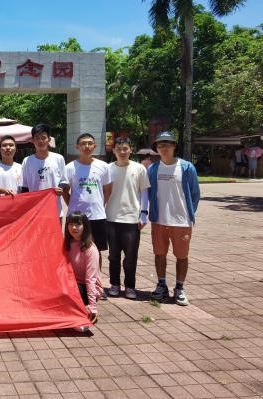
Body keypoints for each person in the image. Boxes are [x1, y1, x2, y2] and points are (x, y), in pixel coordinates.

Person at [148, 131, 200, 306]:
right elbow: (149, 192)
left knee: (182, 256)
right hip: (159, 220)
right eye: (160, 145)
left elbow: (195, 193)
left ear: (174, 146)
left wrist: (188, 213)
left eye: (168, 144)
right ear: (156, 148)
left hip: (181, 221)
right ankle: (161, 284)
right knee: (159, 254)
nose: (164, 147)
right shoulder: (153, 169)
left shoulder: (186, 167)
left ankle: (179, 287)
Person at [105, 137, 150, 300]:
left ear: (131, 150)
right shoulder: (108, 169)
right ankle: (114, 284)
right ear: (114, 150)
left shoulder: (139, 169)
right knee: (113, 256)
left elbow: (144, 191)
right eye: (119, 149)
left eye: (125, 148)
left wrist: (144, 213)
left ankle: (130, 286)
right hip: (111, 217)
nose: (122, 152)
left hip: (132, 219)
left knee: (131, 257)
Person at [62, 133, 112, 265]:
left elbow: (108, 190)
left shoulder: (104, 166)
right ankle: (76, 278)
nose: (87, 146)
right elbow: (65, 191)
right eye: (83, 143)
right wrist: (73, 207)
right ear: (77, 147)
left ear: (95, 146)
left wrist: (99, 204)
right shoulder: (69, 167)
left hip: (97, 216)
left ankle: (95, 277)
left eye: (90, 143)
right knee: (73, 250)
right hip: (76, 218)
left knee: (96, 251)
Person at [19, 123, 67, 217]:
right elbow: (24, 186)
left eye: (43, 138)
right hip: (34, 211)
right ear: (32, 140)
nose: (40, 141)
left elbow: (63, 181)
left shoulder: (59, 158)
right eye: (37, 138)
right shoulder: (27, 161)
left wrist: (60, 189)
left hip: (55, 210)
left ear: (49, 140)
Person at [65, 211, 102, 331]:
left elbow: (90, 279)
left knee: (71, 292)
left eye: (78, 224)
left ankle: (85, 313)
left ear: (85, 226)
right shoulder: (67, 244)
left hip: (86, 287)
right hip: (72, 285)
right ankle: (77, 313)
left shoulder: (90, 249)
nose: (74, 228)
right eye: (71, 224)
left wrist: (93, 306)